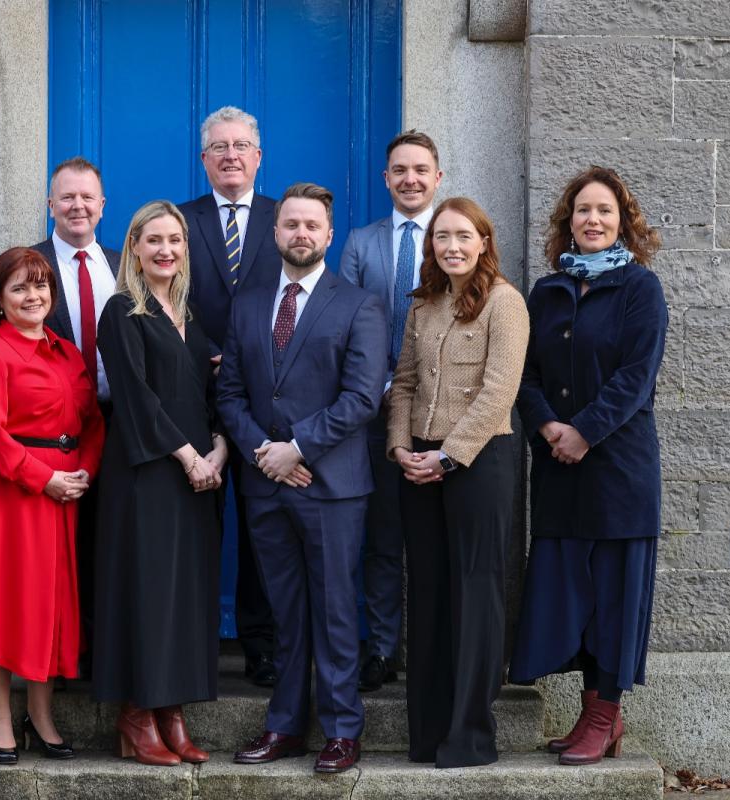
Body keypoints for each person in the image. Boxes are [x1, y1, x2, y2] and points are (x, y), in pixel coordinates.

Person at [218, 183, 388, 774]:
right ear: (275, 232)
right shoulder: (248, 303)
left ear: (329, 233)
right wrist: (265, 451)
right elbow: (230, 393)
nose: (301, 234)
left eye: (312, 225)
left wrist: (298, 448)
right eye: (291, 224)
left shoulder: (359, 304)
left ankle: (343, 729)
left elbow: (363, 397)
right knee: (285, 609)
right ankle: (285, 724)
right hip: (266, 481)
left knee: (336, 606)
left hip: (331, 484)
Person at [509, 165, 668, 766]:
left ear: (623, 221)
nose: (593, 220)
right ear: (567, 223)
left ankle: (604, 715)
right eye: (582, 211)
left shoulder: (640, 289)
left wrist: (585, 432)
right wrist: (550, 426)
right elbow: (525, 375)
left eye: (604, 211)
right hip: (558, 467)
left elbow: (636, 376)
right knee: (569, 595)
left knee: (614, 598)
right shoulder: (546, 293)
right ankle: (592, 712)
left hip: (619, 471)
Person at [0, 248, 103, 764]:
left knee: (49, 605)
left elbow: (93, 421)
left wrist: (84, 472)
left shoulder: (68, 353)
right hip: (8, 495)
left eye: (40, 287)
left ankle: (41, 712)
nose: (33, 297)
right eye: (20, 289)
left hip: (63, 493)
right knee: (2, 603)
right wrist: (43, 478)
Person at [387, 197, 529, 767]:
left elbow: (500, 391)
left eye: (463, 236)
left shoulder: (505, 302)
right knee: (427, 592)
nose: (452, 246)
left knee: (474, 591)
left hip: (477, 463)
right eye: (441, 237)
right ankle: (427, 733)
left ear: (484, 241)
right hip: (416, 465)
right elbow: (402, 383)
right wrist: (400, 448)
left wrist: (448, 456)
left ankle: (470, 735)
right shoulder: (423, 306)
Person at [91, 200, 226, 767]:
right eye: (154, 241)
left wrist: (218, 450)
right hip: (148, 472)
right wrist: (191, 456)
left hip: (199, 474)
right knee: (148, 591)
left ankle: (173, 711)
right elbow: (136, 400)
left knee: (186, 595)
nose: (165, 249)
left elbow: (211, 390)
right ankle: (138, 715)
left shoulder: (190, 315)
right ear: (135, 249)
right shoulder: (122, 311)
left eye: (175, 240)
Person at [179, 105, 281, 687]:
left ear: (258, 156)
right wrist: (207, 349)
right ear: (204, 160)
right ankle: (191, 641)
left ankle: (261, 644)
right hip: (195, 389)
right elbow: (166, 288)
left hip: (266, 397)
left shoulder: (280, 217)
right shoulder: (182, 219)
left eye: (241, 145)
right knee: (196, 520)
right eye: (219, 147)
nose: (231, 155)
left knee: (262, 525)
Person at [339, 130, 445, 691]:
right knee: (382, 537)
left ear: (437, 178)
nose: (410, 179)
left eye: (420, 169)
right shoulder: (361, 242)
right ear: (386, 179)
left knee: (434, 538)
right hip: (378, 410)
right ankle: (381, 649)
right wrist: (376, 386)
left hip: (444, 415)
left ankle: (431, 649)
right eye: (400, 170)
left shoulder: (456, 237)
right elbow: (350, 320)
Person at [32, 156, 121, 679]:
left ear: (103, 205)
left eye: (88, 197)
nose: (78, 206)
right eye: (67, 197)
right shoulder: (31, 264)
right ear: (50, 205)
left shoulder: (123, 262)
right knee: (56, 553)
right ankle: (58, 659)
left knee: (105, 543)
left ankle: (97, 653)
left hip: (117, 422)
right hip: (54, 434)